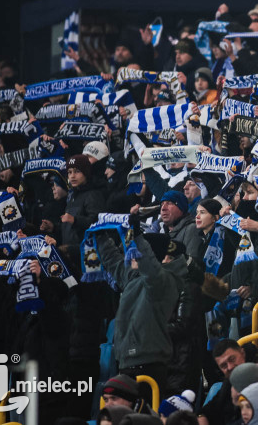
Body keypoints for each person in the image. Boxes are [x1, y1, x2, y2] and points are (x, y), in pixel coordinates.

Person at [93, 228, 187, 392]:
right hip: (127, 363)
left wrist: (137, 236)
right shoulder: (133, 277)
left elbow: (149, 267)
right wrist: (100, 235)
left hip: (149, 366)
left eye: (134, 253)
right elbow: (112, 261)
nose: (130, 257)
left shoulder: (162, 281)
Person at [61, 154, 106, 249]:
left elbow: (98, 223)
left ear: (86, 172)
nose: (72, 176)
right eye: (69, 172)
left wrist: (75, 220)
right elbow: (70, 228)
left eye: (77, 171)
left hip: (87, 254)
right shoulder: (73, 195)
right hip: (71, 251)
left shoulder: (93, 194)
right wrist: (54, 227)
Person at [159, 190, 201, 259]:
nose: (163, 208)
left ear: (181, 208)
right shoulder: (163, 233)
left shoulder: (192, 229)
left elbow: (191, 264)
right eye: (162, 204)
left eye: (169, 203)